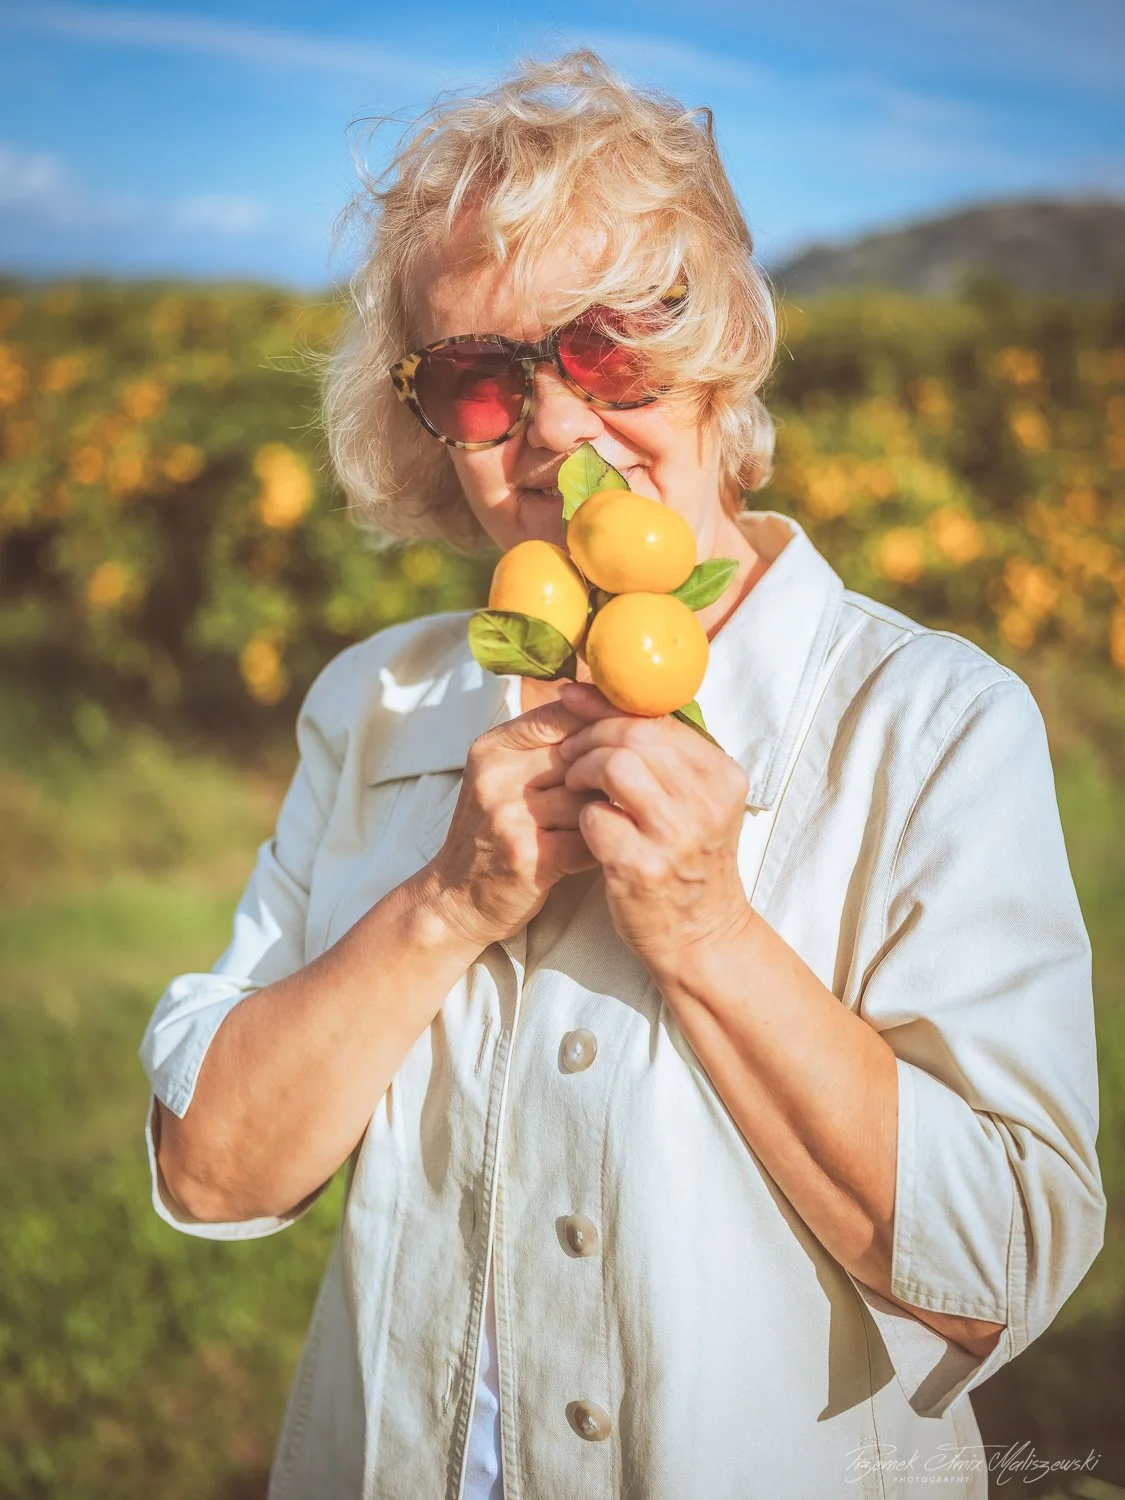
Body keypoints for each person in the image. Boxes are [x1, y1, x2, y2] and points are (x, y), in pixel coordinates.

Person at [138, 49, 1105, 1500]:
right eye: (476, 381)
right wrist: (444, 906)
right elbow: (212, 1170)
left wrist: (714, 935)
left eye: (603, 348)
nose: (558, 428)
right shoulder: (379, 703)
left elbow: (1005, 1269)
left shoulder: (934, 721)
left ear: (717, 340)